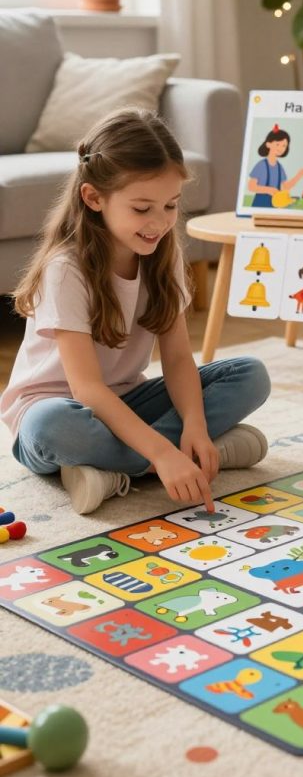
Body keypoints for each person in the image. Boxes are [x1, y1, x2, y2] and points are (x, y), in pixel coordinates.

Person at [0, 108, 271, 515]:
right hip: (58, 411)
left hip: (127, 404)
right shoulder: (66, 269)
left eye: (171, 206)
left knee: (250, 375)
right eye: (142, 209)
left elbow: (179, 358)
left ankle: (119, 468)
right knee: (52, 426)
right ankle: (173, 459)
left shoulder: (164, 257)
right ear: (94, 198)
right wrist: (163, 453)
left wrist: (195, 424)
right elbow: (87, 391)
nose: (159, 223)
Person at [247, 123, 303, 207]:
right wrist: (268, 190)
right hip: (260, 205)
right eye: (278, 144)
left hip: (275, 206)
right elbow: (251, 187)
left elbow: (285, 186)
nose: (281, 148)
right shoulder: (261, 165)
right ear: (268, 144)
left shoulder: (279, 167)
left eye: (284, 146)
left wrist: (299, 174)